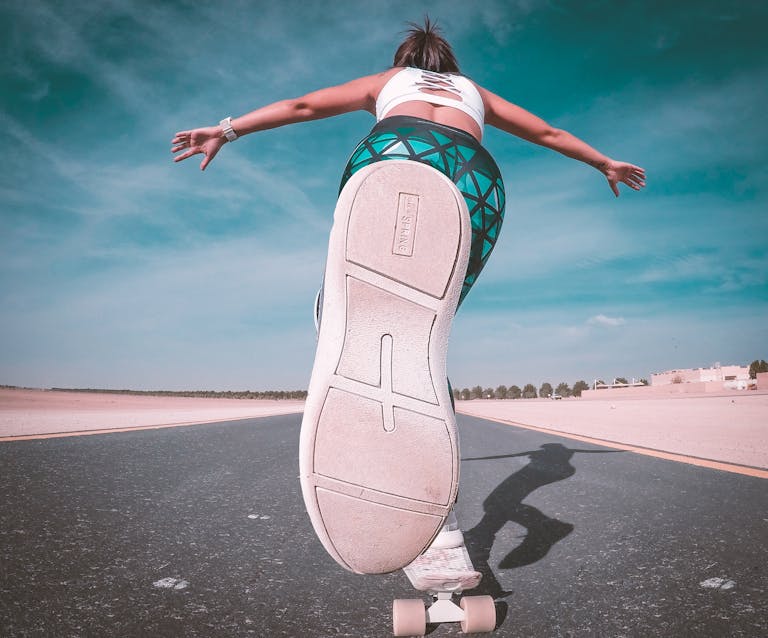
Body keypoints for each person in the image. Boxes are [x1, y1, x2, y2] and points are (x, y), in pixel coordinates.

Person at [171, 19, 645, 580]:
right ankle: (440, 535)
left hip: (395, 154)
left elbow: (302, 106)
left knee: (339, 314)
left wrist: (227, 130)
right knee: (426, 343)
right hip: (474, 180)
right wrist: (603, 163)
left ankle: (422, 506)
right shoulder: (476, 94)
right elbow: (546, 132)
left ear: (406, 60)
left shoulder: (388, 80)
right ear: (451, 67)